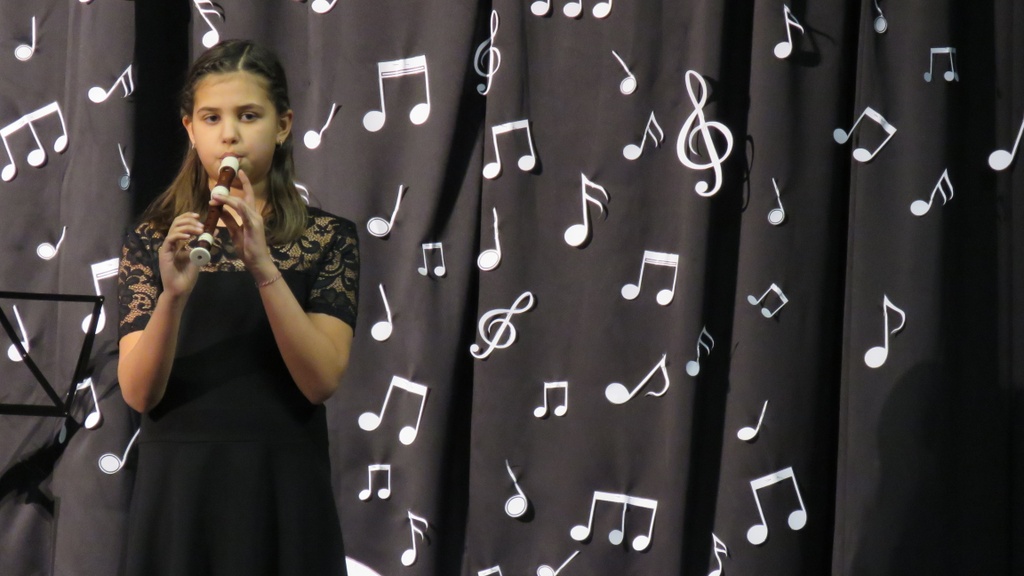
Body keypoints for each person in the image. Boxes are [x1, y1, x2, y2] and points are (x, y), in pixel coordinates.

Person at [116, 39, 357, 576]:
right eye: (212, 118)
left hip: (282, 481)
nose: (229, 134)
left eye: (249, 116)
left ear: (283, 125)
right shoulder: (152, 240)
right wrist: (172, 297)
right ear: (190, 129)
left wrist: (263, 266)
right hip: (179, 488)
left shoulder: (327, 237)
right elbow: (138, 393)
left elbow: (320, 381)